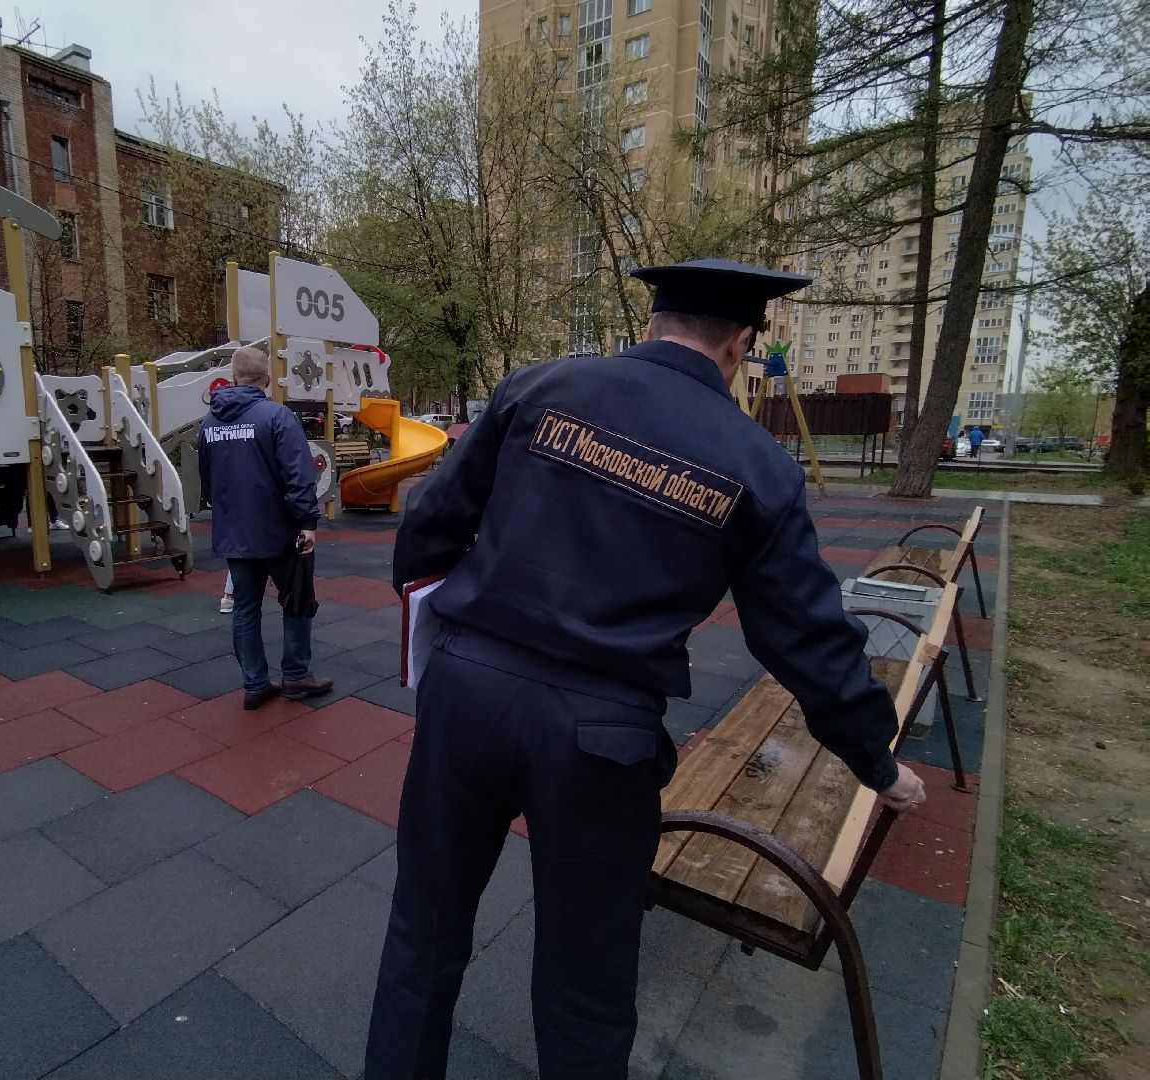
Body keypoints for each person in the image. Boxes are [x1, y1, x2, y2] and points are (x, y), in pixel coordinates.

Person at [365, 259, 926, 1080]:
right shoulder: (757, 462)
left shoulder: (539, 388)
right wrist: (873, 758)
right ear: (738, 344)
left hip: (468, 695)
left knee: (424, 933)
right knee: (585, 983)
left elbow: (431, 522)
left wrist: (444, 632)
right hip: (600, 736)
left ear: (653, 324)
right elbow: (805, 634)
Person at [198, 345, 333, 710]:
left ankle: (255, 683)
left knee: (245, 607)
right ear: (267, 379)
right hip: (279, 531)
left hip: (234, 532)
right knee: (297, 599)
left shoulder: (209, 424)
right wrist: (306, 522)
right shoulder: (277, 416)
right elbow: (297, 475)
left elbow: (208, 484)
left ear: (233, 374)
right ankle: (296, 674)